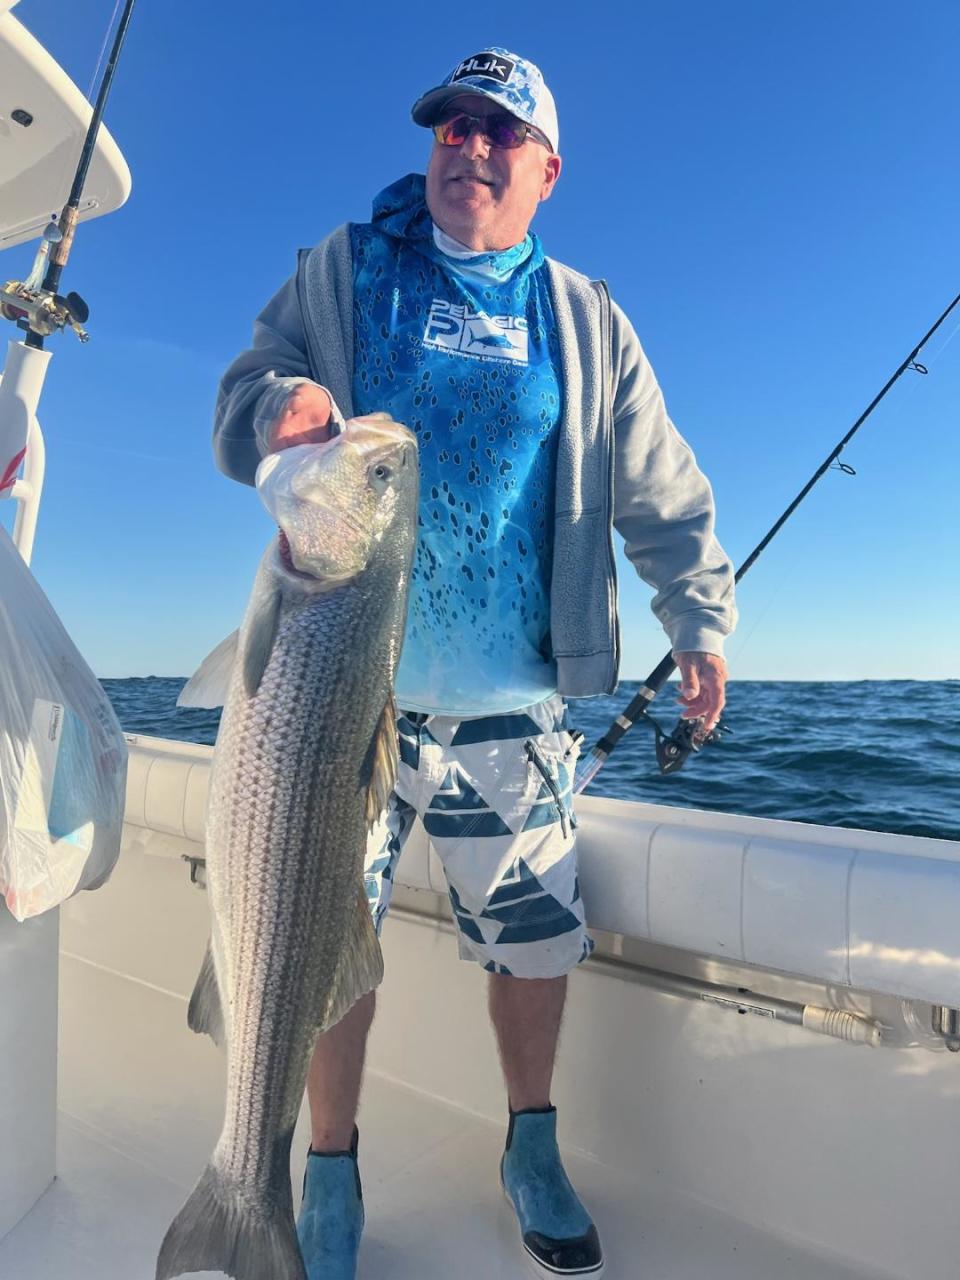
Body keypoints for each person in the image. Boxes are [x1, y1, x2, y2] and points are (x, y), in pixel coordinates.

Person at [214, 47, 736, 1280]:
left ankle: (531, 1143)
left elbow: (663, 493)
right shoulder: (346, 272)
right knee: (323, 938)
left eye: (501, 133)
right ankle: (325, 1169)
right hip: (346, 701)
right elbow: (245, 392)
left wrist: (699, 622)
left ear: (547, 170)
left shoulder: (589, 324)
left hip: (516, 706)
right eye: (453, 126)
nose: (471, 147)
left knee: (536, 941)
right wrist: (279, 405)